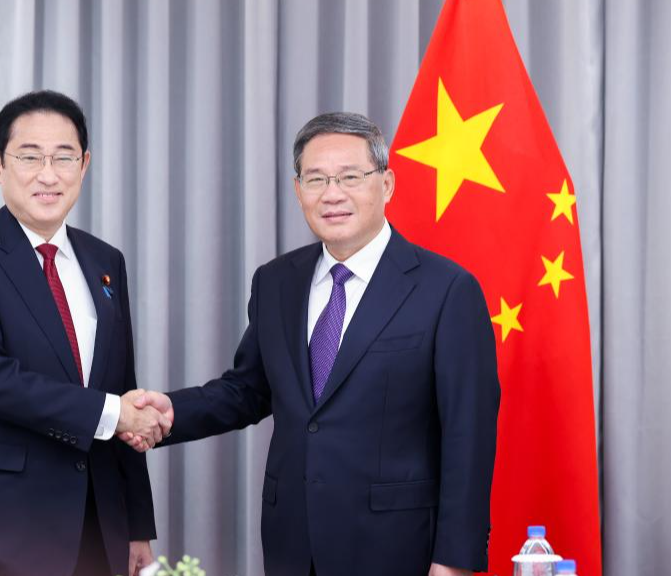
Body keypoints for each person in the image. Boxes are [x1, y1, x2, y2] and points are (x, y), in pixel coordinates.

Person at [125, 112, 500, 576]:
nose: (332, 194)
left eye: (349, 177)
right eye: (316, 179)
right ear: (298, 188)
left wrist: (455, 560)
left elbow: (469, 435)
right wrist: (169, 412)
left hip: (398, 547)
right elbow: (248, 390)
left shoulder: (446, 289)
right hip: (292, 544)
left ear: (386, 184)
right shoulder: (277, 282)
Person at [0, 90, 170, 576]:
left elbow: (120, 385)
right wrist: (115, 413)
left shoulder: (105, 261)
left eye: (63, 157)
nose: (48, 174)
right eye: (29, 157)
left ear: (85, 164)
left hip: (96, 522)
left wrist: (136, 521)